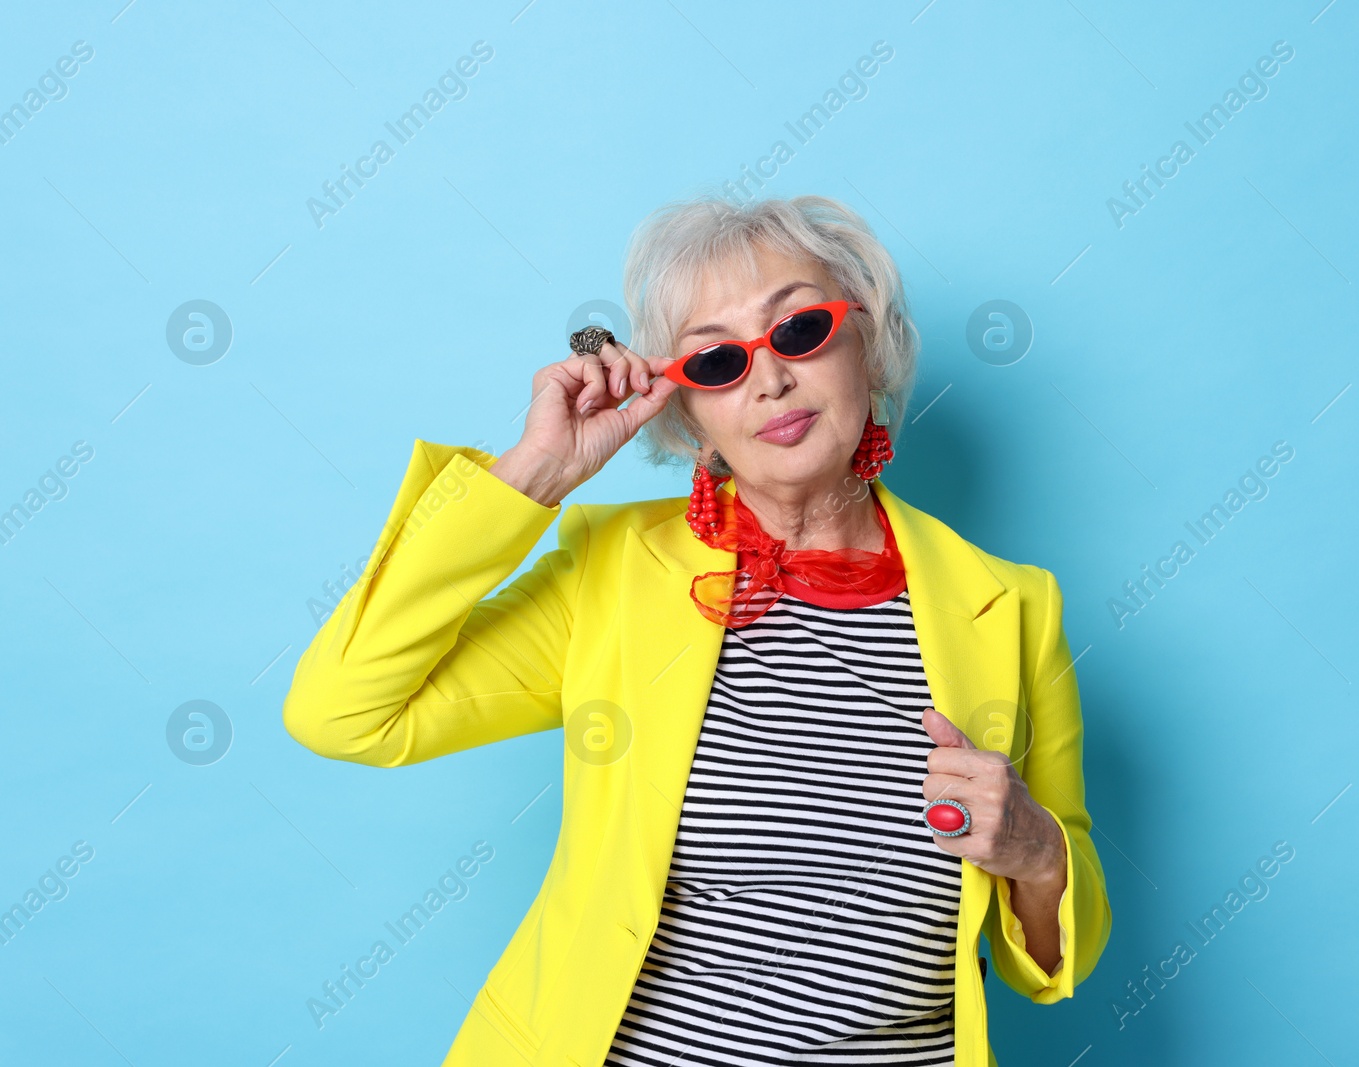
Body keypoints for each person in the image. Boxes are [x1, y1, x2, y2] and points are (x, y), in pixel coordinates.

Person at [281, 194, 1110, 1066]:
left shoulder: (1011, 605)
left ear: (872, 342)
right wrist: (533, 474)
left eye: (799, 331)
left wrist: (1036, 853)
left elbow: (1056, 964)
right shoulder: (615, 574)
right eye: (716, 359)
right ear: (687, 410)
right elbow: (343, 712)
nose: (768, 379)